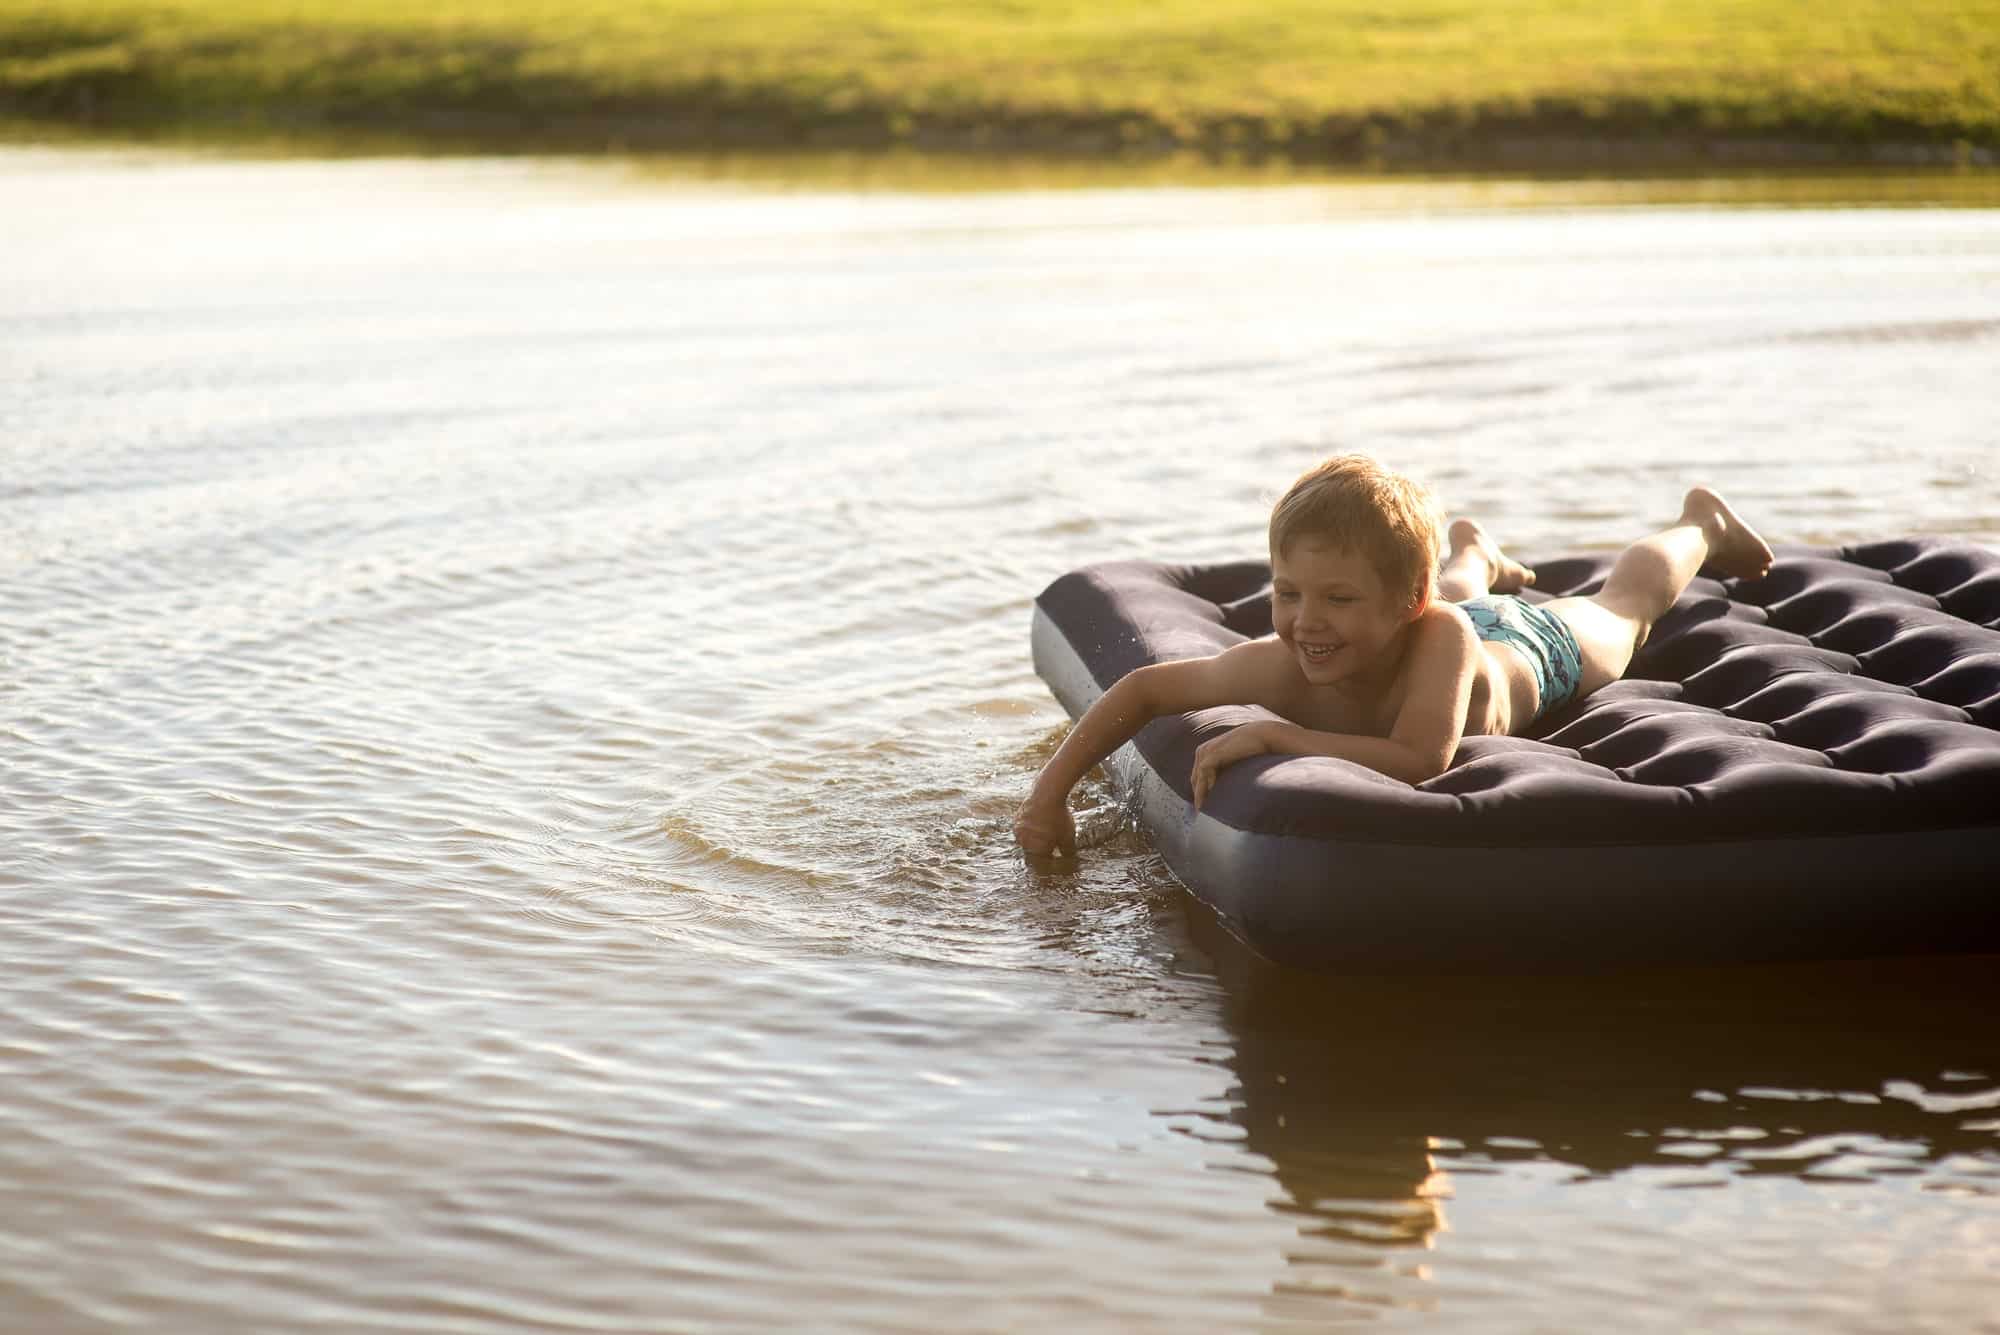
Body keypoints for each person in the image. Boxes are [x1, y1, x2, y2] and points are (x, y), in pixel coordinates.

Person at [1012, 454, 1774, 859]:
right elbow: (1145, 690)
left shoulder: (1438, 633)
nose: (1307, 621)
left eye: (1336, 598)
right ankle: (1475, 552)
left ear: (1405, 602)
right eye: (1289, 593)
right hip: (1434, 606)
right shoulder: (1288, 656)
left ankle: (1699, 523)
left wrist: (1283, 736)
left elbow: (1422, 756)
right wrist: (1049, 795)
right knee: (1443, 592)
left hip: (1531, 652)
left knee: (1626, 608)